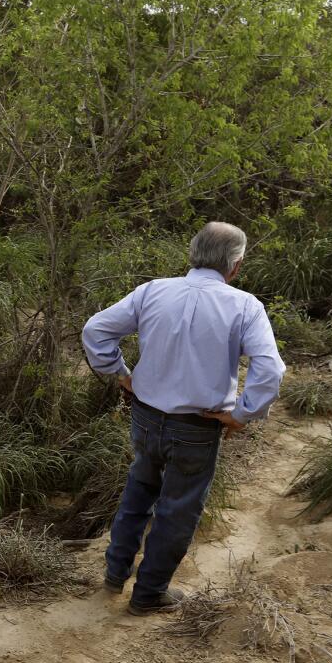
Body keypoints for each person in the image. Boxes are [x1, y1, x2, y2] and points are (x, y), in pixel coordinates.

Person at [80, 221, 286, 615]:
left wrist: (121, 374)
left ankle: (114, 574)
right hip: (196, 426)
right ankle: (149, 594)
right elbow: (270, 371)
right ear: (236, 265)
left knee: (139, 490)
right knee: (178, 509)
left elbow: (96, 329)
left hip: (144, 415)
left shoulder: (153, 290)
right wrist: (242, 414)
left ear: (192, 254)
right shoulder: (244, 306)